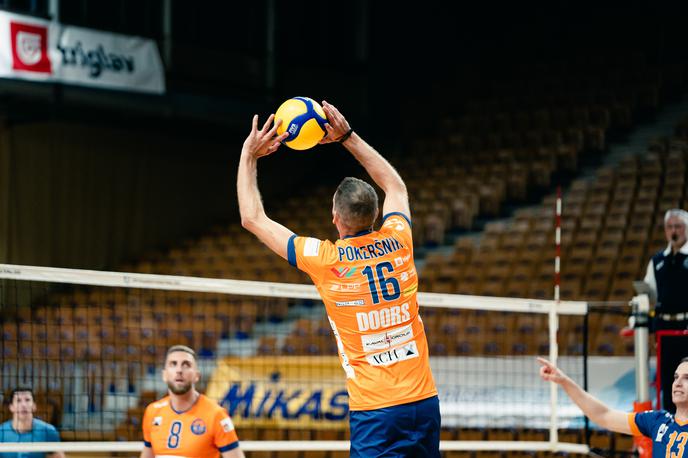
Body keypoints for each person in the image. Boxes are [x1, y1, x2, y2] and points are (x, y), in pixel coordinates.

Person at [237, 101, 440, 457]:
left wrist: (248, 155)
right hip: (424, 402)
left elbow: (252, 218)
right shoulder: (399, 241)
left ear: (335, 216)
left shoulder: (326, 259)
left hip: (375, 410)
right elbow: (395, 186)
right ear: (376, 215)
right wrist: (348, 137)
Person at [538, 356, 688, 457]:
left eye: (686, 378)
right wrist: (564, 381)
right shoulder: (658, 420)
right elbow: (603, 415)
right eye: (676, 377)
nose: (678, 383)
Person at [140, 345, 244, 458]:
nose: (179, 370)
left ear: (196, 376)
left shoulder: (216, 414)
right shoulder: (152, 411)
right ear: (164, 375)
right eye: (173, 364)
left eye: (186, 365)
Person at [644, 208, 688, 333]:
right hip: (663, 326)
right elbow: (650, 294)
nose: (674, 231)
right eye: (669, 227)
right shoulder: (657, 260)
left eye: (678, 226)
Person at [0, 388, 63, 458]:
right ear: (11, 407)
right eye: (18, 400)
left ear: (34, 406)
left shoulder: (48, 431)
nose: (23, 405)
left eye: (27, 400)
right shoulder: (1, 432)